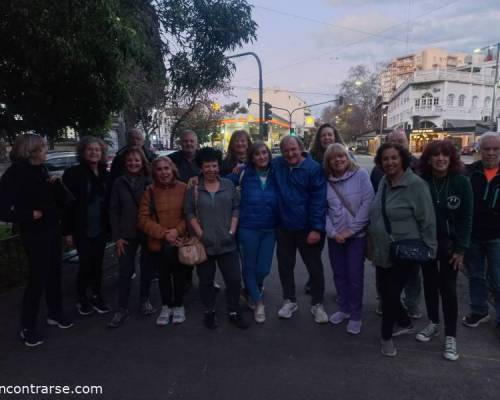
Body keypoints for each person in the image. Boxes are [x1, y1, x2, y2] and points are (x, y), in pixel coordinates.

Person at [0, 134, 73, 347]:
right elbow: (3, 209)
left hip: (51, 228)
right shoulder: (15, 173)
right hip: (34, 233)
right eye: (42, 149)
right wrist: (28, 214)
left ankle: (55, 313)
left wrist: (54, 185)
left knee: (54, 273)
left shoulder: (41, 169)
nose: (46, 152)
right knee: (37, 279)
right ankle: (27, 327)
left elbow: (56, 199)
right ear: (31, 150)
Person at [369, 142, 436, 357]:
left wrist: (430, 249)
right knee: (384, 288)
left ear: (403, 160)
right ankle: (405, 322)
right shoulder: (383, 183)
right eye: (385, 159)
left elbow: (427, 220)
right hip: (382, 248)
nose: (389, 162)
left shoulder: (416, 185)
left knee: (390, 295)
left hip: (404, 250)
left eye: (394, 158)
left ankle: (386, 336)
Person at [415, 140, 472, 361]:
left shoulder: (461, 182)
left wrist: (461, 249)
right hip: (426, 242)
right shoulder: (422, 182)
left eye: (445, 155)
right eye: (436, 155)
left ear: (451, 158)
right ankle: (434, 323)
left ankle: (451, 335)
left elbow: (467, 218)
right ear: (428, 159)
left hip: (450, 244)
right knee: (429, 284)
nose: (441, 159)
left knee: (448, 287)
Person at [184, 147, 248, 330]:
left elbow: (236, 206)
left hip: (227, 242)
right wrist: (200, 234)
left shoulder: (228, 184)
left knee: (234, 279)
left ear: (219, 166)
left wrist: (232, 230)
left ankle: (233, 310)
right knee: (205, 281)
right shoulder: (194, 187)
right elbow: (188, 212)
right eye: (207, 166)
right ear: (201, 168)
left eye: (214, 165)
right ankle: (209, 311)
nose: (211, 169)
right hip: (205, 244)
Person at [273, 135, 328, 323]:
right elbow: (254, 168)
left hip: (307, 228)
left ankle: (317, 304)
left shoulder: (313, 169)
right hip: (284, 227)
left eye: (293, 149)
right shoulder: (277, 164)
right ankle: (289, 300)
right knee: (285, 267)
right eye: (286, 150)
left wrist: (316, 228)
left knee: (314, 268)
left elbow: (319, 201)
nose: (290, 154)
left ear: (301, 148)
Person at [370, 127, 422, 319]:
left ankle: (412, 303)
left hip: (409, 232)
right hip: (384, 232)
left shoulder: (419, 166)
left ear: (408, 142)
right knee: (383, 268)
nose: (398, 145)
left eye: (401, 141)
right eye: (394, 141)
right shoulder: (378, 171)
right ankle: (385, 301)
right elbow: (374, 199)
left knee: (411, 272)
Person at [227, 141, 279, 323]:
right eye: (257, 154)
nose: (262, 156)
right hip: (248, 228)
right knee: (249, 267)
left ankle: (251, 290)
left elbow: (296, 161)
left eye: (264, 153)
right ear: (251, 157)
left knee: (263, 270)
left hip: (270, 229)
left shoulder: (276, 172)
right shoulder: (243, 173)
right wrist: (198, 178)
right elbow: (218, 181)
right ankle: (258, 302)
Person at [324, 144, 374, 334]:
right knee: (339, 274)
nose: (338, 160)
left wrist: (350, 231)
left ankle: (355, 314)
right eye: (333, 158)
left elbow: (368, 203)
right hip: (335, 237)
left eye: (341, 156)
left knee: (354, 276)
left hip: (356, 237)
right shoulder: (326, 180)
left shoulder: (360, 175)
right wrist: (332, 232)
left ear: (347, 157)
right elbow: (322, 210)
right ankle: (344, 308)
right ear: (328, 162)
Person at [63, 136, 111, 316]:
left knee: (98, 263)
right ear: (83, 152)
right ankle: (82, 298)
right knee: (85, 264)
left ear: (102, 153)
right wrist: (67, 232)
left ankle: (97, 295)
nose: (94, 152)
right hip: (81, 226)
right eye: (90, 149)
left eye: (97, 150)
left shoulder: (105, 173)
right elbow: (67, 205)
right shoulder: (73, 174)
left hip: (100, 226)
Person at [107, 148, 155, 328]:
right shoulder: (119, 182)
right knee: (125, 271)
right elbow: (113, 210)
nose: (133, 163)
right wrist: (116, 236)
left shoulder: (150, 181)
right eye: (129, 160)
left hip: (147, 231)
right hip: (126, 234)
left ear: (142, 162)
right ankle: (122, 308)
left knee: (147, 269)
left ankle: (144, 299)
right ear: (124, 163)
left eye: (137, 160)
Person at [138, 157, 187, 326]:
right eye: (159, 169)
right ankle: (166, 306)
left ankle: (179, 305)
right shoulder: (149, 191)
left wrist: (177, 231)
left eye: (167, 168)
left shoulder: (184, 188)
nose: (163, 172)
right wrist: (163, 233)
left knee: (180, 276)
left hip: (179, 241)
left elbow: (190, 214)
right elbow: (143, 219)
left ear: (173, 169)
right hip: (159, 243)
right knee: (164, 277)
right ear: (154, 172)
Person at [463, 131, 500, 338]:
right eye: (487, 149)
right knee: (475, 275)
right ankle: (479, 311)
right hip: (474, 235)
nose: (491, 153)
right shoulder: (469, 172)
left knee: (498, 278)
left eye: (496, 149)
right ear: (479, 150)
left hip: (497, 236)